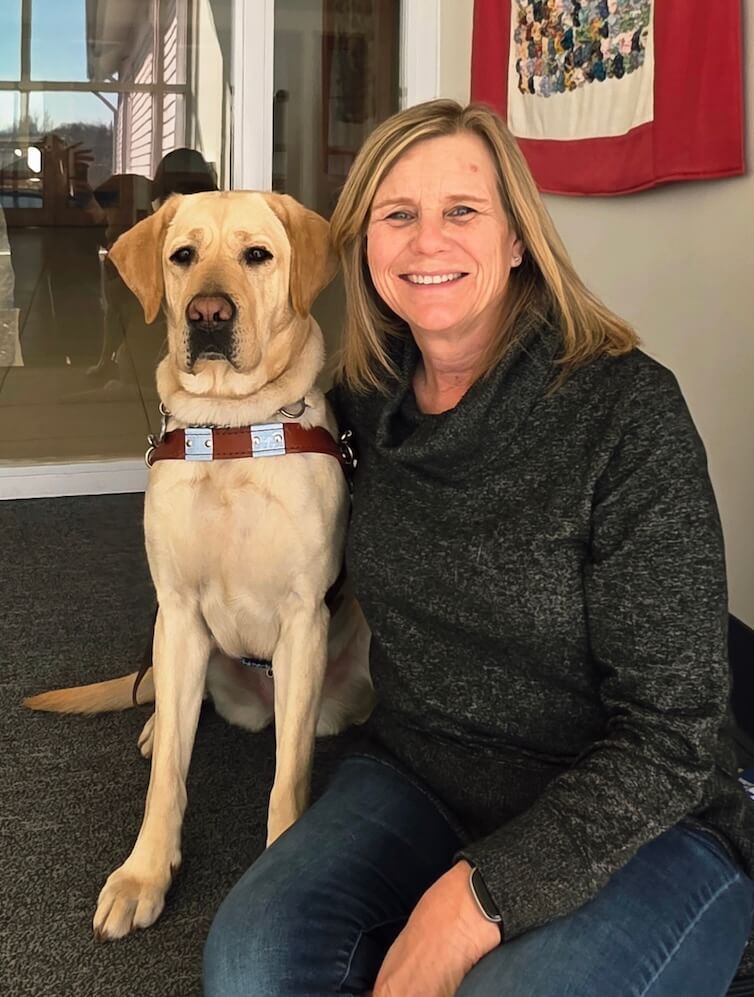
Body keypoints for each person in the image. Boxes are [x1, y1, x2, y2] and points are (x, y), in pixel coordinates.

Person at [202, 99, 754, 996]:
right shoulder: (364, 409)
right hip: (423, 771)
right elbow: (252, 481)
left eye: (462, 210)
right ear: (365, 248)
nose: (428, 242)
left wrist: (471, 902)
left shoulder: (627, 414)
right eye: (397, 214)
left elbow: (674, 738)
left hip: (646, 814)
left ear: (517, 239)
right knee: (251, 963)